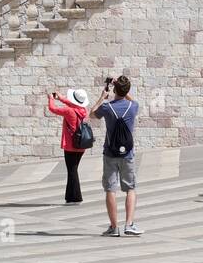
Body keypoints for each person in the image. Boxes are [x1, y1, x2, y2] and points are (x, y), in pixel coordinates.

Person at [92, 75, 141, 237]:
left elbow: (91, 114)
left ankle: (114, 227)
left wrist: (102, 97)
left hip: (110, 153)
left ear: (114, 90)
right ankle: (129, 224)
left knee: (110, 189)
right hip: (128, 154)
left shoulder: (107, 107)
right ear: (127, 90)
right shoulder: (132, 107)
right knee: (130, 189)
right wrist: (121, 88)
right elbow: (132, 100)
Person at [48, 88, 90, 203]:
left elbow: (53, 109)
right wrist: (61, 98)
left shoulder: (68, 111)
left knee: (72, 170)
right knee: (73, 169)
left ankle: (76, 197)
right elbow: (73, 104)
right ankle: (70, 196)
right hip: (81, 145)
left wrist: (51, 99)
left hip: (71, 145)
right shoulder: (83, 110)